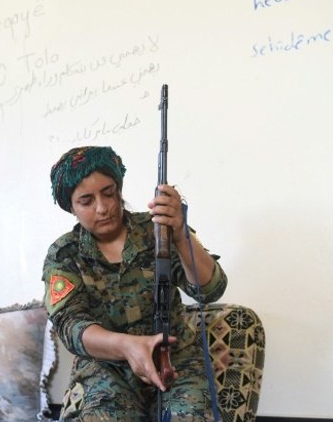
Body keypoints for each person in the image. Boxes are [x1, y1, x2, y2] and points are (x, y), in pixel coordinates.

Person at [42, 145, 228, 421]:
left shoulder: (159, 229)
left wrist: (180, 235)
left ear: (119, 190)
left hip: (174, 362)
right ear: (71, 207)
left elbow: (211, 289)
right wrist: (128, 346)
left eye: (109, 193)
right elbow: (71, 326)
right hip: (106, 369)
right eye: (86, 201)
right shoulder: (64, 254)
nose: (103, 208)